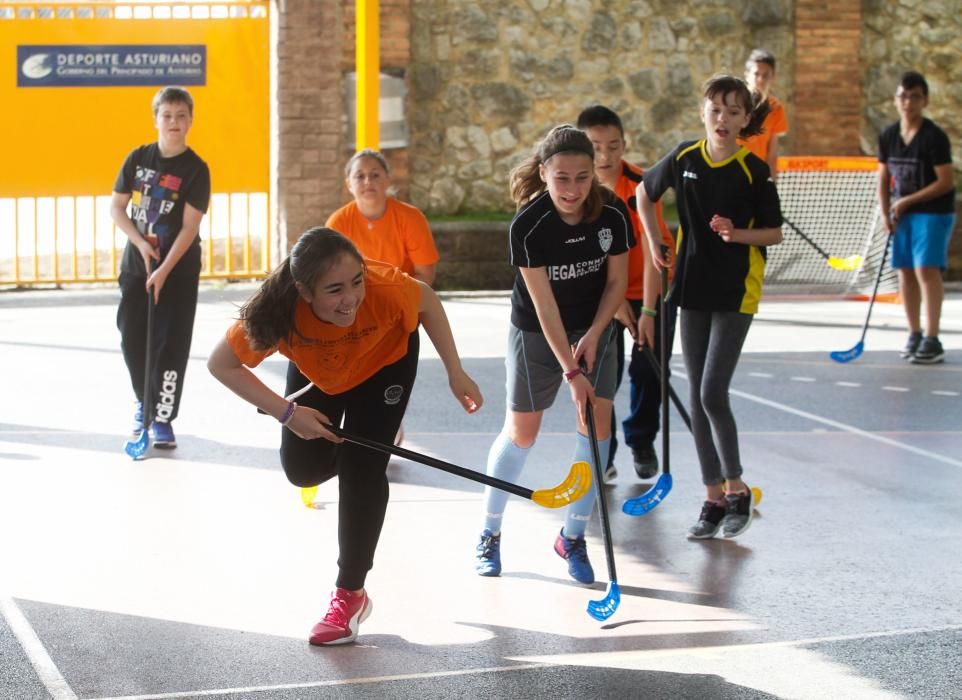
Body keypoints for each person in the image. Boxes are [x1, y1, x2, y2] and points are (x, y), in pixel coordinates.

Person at [208, 227, 482, 645]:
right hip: (322, 368)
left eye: (356, 282)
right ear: (304, 291)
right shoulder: (278, 311)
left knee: (362, 468)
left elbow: (427, 301)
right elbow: (221, 364)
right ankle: (362, 446)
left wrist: (455, 370)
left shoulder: (388, 287)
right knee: (302, 471)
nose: (351, 297)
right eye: (334, 290)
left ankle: (349, 594)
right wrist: (288, 413)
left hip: (385, 363)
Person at [473, 125, 632, 584]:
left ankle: (573, 537)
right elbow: (544, 306)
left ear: (595, 175)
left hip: (594, 327)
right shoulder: (529, 226)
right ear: (544, 173)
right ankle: (490, 531)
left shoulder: (613, 215)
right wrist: (570, 369)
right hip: (538, 333)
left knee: (597, 427)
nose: (573, 189)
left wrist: (597, 333)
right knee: (523, 433)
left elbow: (618, 283)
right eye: (562, 177)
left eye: (583, 178)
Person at [636, 75, 783, 540]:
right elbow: (644, 193)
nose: (723, 119)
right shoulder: (684, 157)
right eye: (716, 110)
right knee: (698, 397)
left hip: (737, 290)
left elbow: (773, 233)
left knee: (711, 393)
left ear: (745, 120)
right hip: (691, 286)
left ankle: (737, 486)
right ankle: (713, 498)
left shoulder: (753, 171)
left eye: (734, 112)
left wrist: (735, 234)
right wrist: (655, 236)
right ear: (703, 112)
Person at [577, 104, 676, 483]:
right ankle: (605, 451)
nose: (605, 156)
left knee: (648, 370)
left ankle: (642, 440)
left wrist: (649, 312)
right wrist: (615, 305)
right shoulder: (577, 189)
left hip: (650, 290)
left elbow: (656, 253)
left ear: (624, 144)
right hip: (600, 296)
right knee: (602, 376)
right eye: (596, 147)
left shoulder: (641, 185)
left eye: (613, 146)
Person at [111, 86, 211, 449]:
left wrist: (166, 268)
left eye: (181, 115)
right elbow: (117, 207)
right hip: (137, 268)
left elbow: (189, 226)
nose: (174, 122)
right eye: (167, 115)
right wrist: (139, 244)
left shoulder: (197, 170)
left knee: (170, 343)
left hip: (178, 273)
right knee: (132, 337)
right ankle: (145, 403)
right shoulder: (138, 159)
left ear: (190, 121)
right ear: (156, 119)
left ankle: (163, 417)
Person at [878, 71, 956, 365]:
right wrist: (885, 211)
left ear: (925, 101)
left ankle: (932, 338)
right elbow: (883, 176)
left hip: (933, 212)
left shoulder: (933, 137)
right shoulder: (889, 136)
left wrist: (908, 201)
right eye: (903, 96)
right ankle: (914, 332)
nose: (908, 102)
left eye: (914, 97)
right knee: (905, 270)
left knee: (926, 268)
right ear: (895, 100)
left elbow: (946, 181)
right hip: (903, 214)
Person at [326, 149, 439, 284]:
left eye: (375, 175)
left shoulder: (411, 218)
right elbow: (331, 276)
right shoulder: (338, 222)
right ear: (349, 184)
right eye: (360, 176)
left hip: (403, 297)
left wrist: (391, 298)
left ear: (387, 180)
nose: (368, 181)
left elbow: (425, 276)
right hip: (355, 300)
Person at [739, 49, 788, 180]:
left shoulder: (776, 108)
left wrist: (772, 185)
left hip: (757, 176)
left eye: (765, 75)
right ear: (746, 75)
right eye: (756, 74)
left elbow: (772, 153)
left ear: (773, 77)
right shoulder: (735, 104)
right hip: (733, 172)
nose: (760, 79)